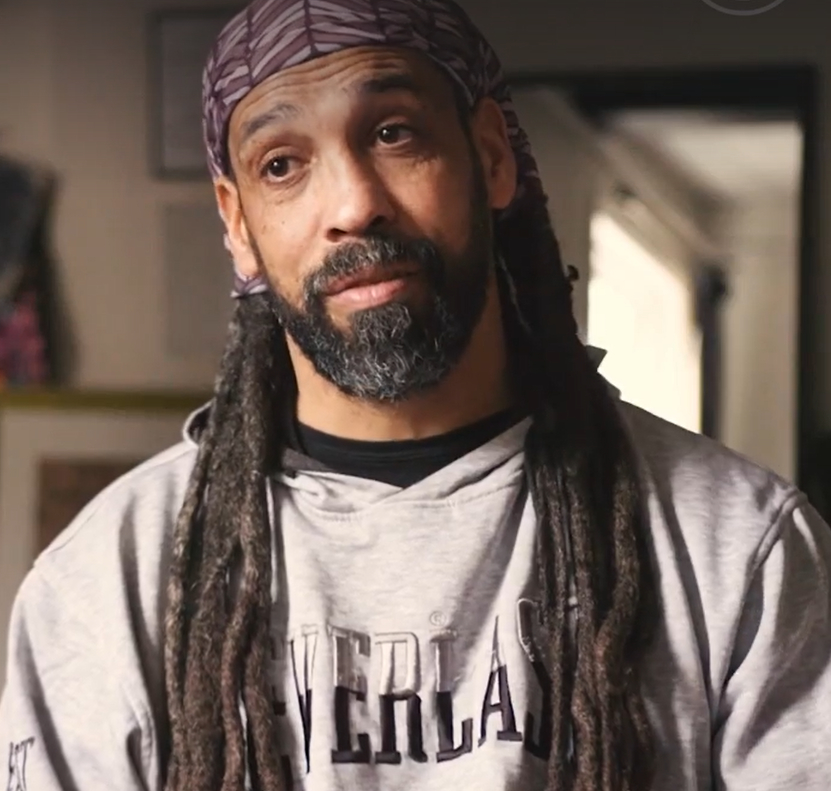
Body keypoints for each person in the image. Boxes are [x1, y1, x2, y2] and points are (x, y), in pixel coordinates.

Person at [2, 0, 831, 789]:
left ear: (491, 156)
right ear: (239, 224)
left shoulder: (737, 546)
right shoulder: (104, 581)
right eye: (282, 165)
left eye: (393, 133)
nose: (354, 206)